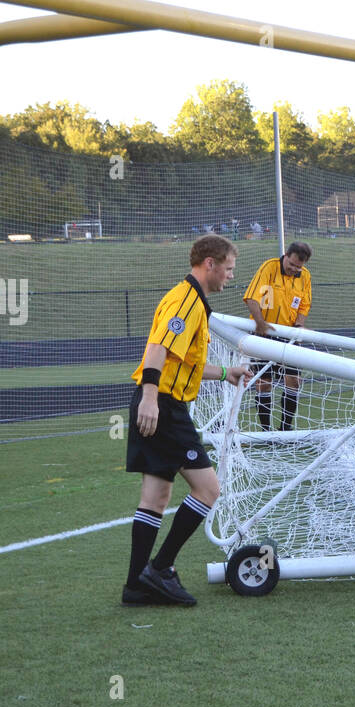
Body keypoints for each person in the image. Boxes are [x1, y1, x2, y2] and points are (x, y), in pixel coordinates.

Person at [123, 235, 252, 606]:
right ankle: (160, 569)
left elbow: (185, 363)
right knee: (209, 489)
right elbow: (158, 349)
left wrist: (225, 371)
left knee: (155, 497)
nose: (231, 276)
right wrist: (150, 398)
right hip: (163, 406)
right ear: (209, 263)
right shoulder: (185, 300)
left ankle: (135, 585)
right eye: (228, 268)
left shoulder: (194, 300)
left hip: (161, 402)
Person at [243, 241, 313, 431]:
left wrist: (299, 324)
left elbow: (304, 304)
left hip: (289, 336)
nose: (294, 269)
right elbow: (251, 297)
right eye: (291, 265)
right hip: (263, 335)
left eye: (298, 266)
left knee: (294, 381)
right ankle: (266, 432)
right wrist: (260, 323)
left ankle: (285, 429)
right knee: (264, 383)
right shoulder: (269, 268)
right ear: (286, 255)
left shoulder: (304, 276)